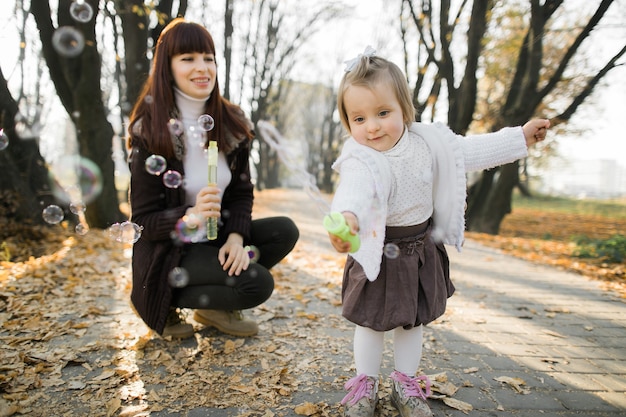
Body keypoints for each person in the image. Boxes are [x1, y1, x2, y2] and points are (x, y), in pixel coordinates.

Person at [327, 47, 549, 417]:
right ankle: (366, 382)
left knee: (412, 322)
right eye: (359, 118)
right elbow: (351, 191)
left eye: (383, 113)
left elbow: (471, 151)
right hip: (377, 252)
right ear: (348, 123)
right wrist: (346, 219)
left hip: (417, 249)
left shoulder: (429, 143)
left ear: (405, 110)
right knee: (370, 323)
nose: (373, 126)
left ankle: (405, 382)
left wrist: (520, 138)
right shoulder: (359, 157)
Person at [126, 18, 299, 339]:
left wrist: (236, 237)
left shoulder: (231, 123)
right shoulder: (149, 131)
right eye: (188, 59)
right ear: (167, 66)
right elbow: (142, 223)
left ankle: (213, 307)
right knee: (257, 283)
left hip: (215, 238)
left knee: (283, 231)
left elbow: (242, 193)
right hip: (171, 254)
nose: (202, 68)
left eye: (208, 58)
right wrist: (188, 215)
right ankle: (163, 301)